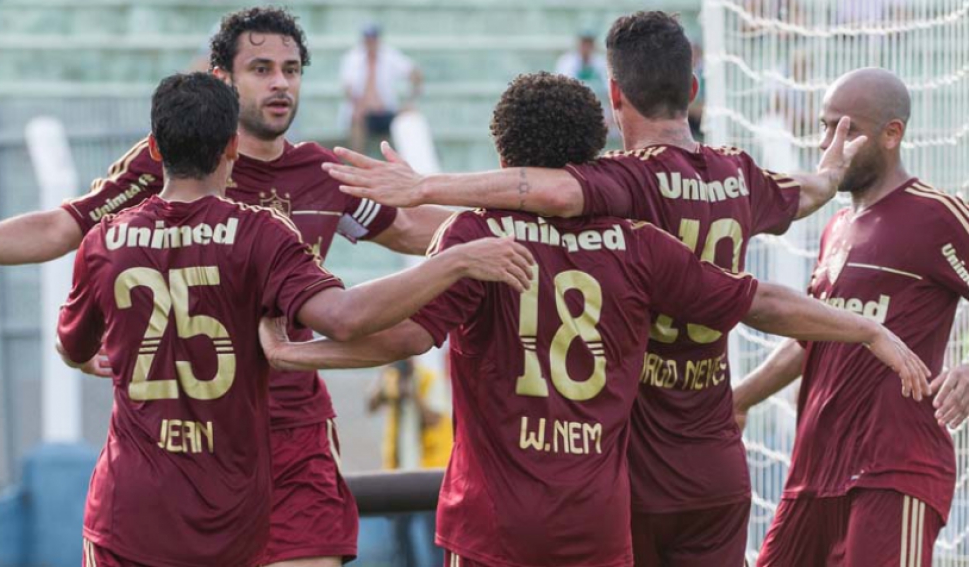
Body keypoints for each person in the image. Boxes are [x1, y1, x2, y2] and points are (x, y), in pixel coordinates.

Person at [258, 71, 930, 567]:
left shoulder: (476, 235)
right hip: (599, 525)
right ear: (592, 155)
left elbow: (401, 335)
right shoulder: (640, 244)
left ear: (504, 156)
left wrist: (294, 354)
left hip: (492, 525)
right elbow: (763, 300)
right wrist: (867, 326)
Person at [0, 6, 451, 567]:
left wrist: (500, 222)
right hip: (186, 437)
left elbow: (410, 231)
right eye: (261, 68)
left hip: (290, 431)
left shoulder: (322, 172)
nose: (280, 82)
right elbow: (59, 227)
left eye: (291, 68)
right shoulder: (165, 164)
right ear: (222, 80)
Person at [59, 72, 534, 567]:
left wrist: (86, 354)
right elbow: (345, 318)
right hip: (227, 508)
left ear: (154, 149)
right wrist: (454, 260)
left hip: (129, 509)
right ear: (231, 148)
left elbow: (73, 346)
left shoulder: (104, 241)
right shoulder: (259, 234)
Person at [733, 68, 966, 567]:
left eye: (846, 130)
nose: (829, 144)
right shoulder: (837, 225)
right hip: (813, 471)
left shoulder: (936, 215)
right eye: (824, 127)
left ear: (891, 134)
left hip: (893, 471)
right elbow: (814, 336)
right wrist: (739, 398)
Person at [368, 358, 452, 566]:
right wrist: (383, 375)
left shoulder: (430, 379)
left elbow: (435, 419)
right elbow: (371, 404)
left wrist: (413, 393)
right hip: (397, 473)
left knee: (434, 543)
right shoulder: (391, 378)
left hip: (429, 475)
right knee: (401, 545)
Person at [340, 24, 423, 155]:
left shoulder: (390, 55)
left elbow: (415, 74)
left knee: (410, 118)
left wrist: (409, 102)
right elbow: (348, 88)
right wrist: (358, 105)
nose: (371, 42)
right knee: (356, 119)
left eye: (373, 39)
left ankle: (411, 163)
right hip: (364, 113)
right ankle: (357, 163)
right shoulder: (353, 57)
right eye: (368, 39)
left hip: (387, 110)